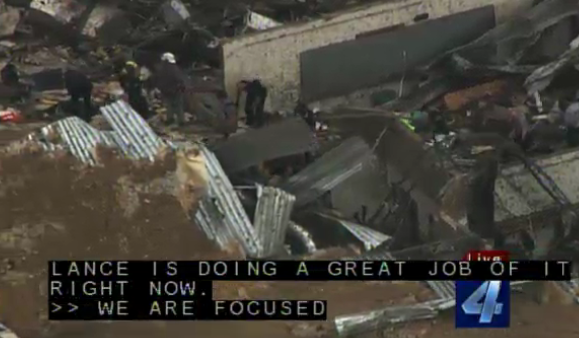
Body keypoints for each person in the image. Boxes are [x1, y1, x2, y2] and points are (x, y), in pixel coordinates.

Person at [152, 52, 186, 126]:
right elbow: (179, 79)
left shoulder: (161, 69)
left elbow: (157, 79)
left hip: (165, 90)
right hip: (176, 90)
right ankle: (181, 121)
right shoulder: (174, 68)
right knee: (178, 105)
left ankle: (170, 119)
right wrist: (183, 87)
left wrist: (159, 88)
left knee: (169, 105)